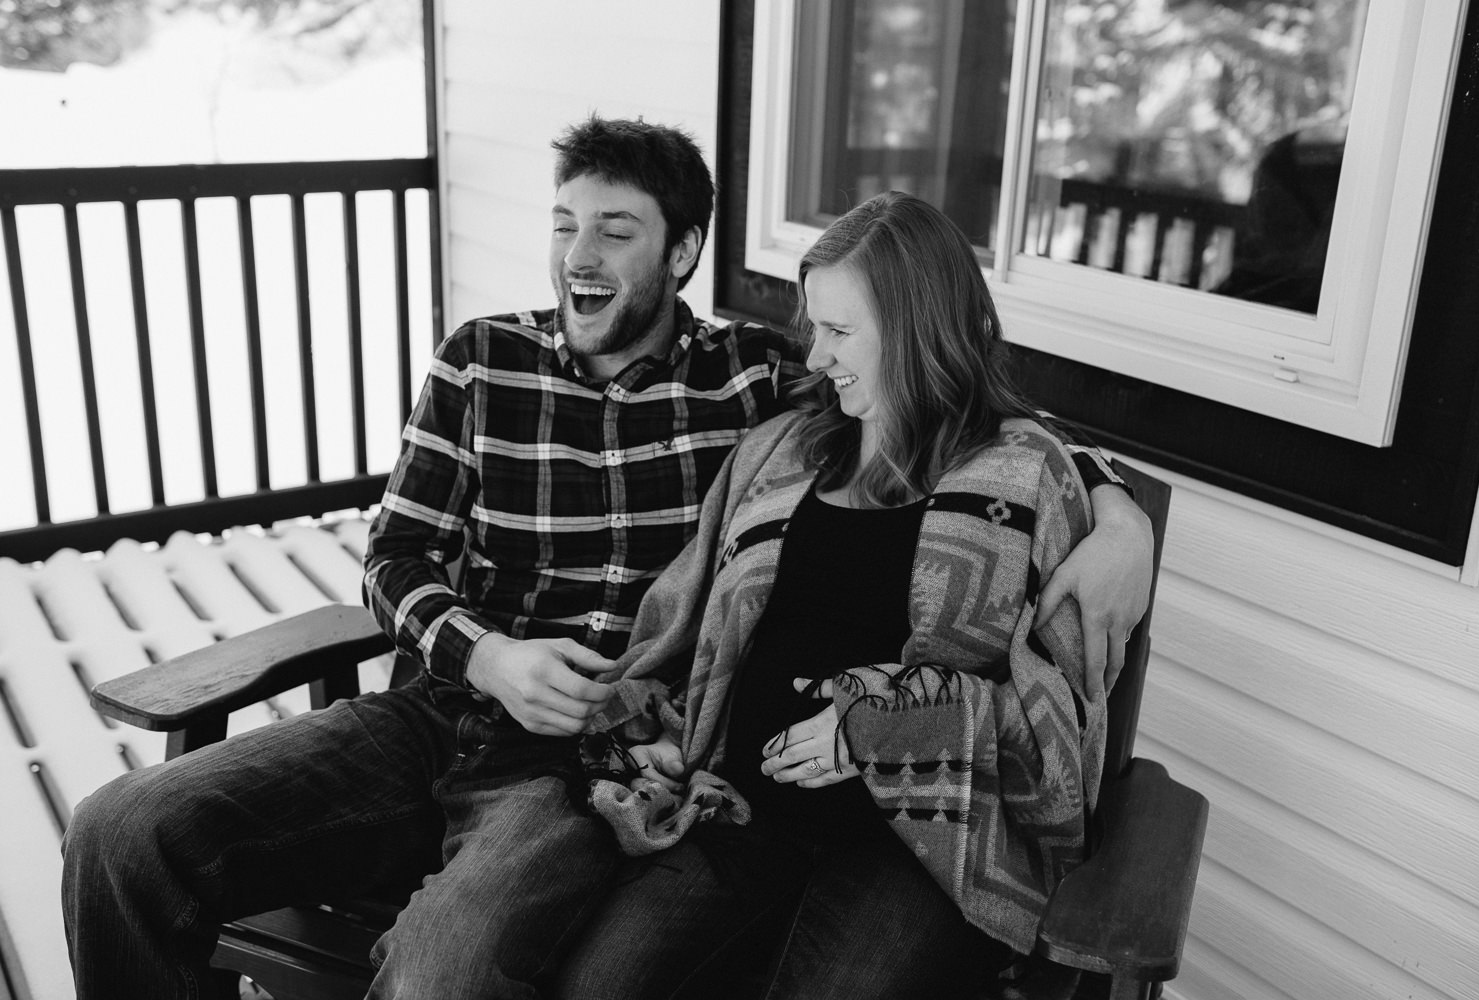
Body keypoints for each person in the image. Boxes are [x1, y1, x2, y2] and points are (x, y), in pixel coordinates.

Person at [61, 118, 1152, 999]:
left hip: (587, 756)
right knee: (120, 833)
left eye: (614, 232)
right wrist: (485, 655)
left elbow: (960, 408)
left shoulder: (755, 385)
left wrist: (1118, 518)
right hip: (435, 709)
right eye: (564, 224)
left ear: (681, 252)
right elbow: (395, 555)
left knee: (445, 971)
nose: (577, 258)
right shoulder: (480, 361)